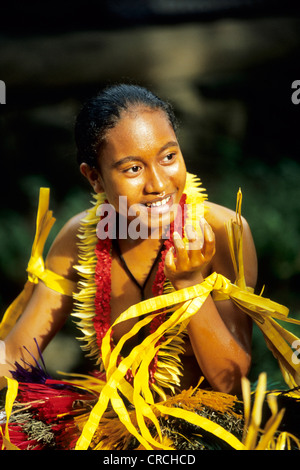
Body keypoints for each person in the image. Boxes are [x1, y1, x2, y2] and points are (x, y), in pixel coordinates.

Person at [0, 84, 299, 451]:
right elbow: (14, 354)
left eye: (169, 157)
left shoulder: (223, 231)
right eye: (133, 168)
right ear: (94, 177)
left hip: (204, 429)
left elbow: (231, 381)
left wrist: (190, 283)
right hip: (111, 421)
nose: (157, 184)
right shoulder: (79, 238)